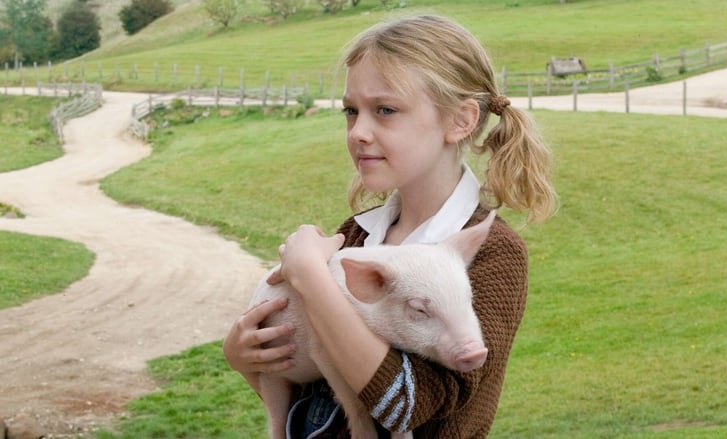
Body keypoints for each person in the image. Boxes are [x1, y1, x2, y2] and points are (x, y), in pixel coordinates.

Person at [222, 14, 557, 438]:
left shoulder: (493, 253)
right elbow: (318, 400)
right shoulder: (359, 235)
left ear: (460, 120)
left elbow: (406, 407)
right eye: (351, 110)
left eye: (385, 110)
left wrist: (310, 276)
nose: (359, 131)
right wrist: (245, 359)